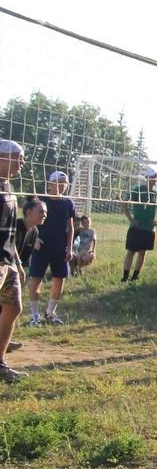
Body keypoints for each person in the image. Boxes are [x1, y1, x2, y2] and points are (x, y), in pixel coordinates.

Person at [28, 170, 76, 325]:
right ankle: (34, 316)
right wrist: (34, 239)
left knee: (59, 279)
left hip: (60, 248)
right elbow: (29, 222)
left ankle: (50, 313)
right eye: (60, 182)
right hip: (41, 247)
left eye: (65, 183)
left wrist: (70, 248)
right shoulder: (40, 200)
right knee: (36, 279)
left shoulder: (68, 203)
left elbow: (71, 227)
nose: (63, 185)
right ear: (50, 184)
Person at [0, 140, 29, 382]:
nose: (22, 163)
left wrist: (17, 262)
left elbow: (10, 232)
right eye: (18, 158)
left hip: (7, 259)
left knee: (13, 307)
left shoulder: (8, 187)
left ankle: (0, 363)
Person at [123, 168, 157, 282]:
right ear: (147, 178)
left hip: (149, 229)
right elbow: (124, 203)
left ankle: (135, 277)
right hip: (136, 227)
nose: (155, 179)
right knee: (130, 252)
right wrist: (131, 220)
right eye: (153, 177)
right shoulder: (138, 190)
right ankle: (125, 277)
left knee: (142, 253)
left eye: (156, 177)